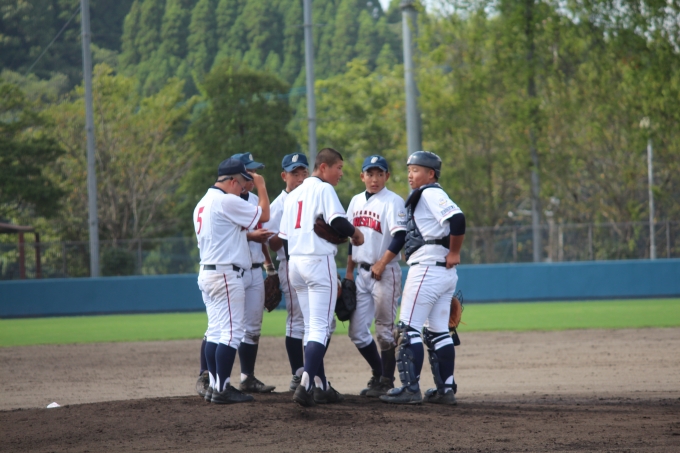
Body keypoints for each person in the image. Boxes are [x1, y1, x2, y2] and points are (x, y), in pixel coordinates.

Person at [279, 147, 365, 407]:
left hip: (295, 264)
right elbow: (337, 222)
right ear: (324, 167)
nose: (341, 173)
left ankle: (321, 385)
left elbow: (283, 239)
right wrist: (355, 234)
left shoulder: (293, 195)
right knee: (320, 327)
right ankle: (306, 385)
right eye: (339, 167)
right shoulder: (323, 189)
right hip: (317, 261)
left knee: (311, 327)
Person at [379, 151, 465, 406]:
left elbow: (458, 219)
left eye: (416, 170)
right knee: (438, 332)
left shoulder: (430, 193)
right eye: (409, 170)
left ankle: (410, 388)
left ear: (431, 174)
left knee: (408, 330)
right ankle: (445, 390)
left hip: (427, 269)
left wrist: (455, 252)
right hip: (442, 273)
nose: (410, 174)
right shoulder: (429, 194)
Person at [193, 157, 270, 404]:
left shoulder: (203, 202)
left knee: (216, 332)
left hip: (208, 272)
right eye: (243, 182)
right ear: (233, 181)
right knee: (232, 334)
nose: (244, 188)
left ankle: (215, 386)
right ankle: (223, 388)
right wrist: (261, 185)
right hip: (225, 274)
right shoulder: (226, 200)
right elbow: (264, 214)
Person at [344, 155, 407, 397]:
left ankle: (387, 381)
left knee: (384, 329)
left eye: (380, 174)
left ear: (387, 176)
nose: (375, 179)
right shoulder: (356, 201)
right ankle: (379, 372)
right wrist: (349, 272)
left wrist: (381, 263)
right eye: (370, 174)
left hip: (385, 272)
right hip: (361, 272)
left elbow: (400, 236)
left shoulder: (393, 201)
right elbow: (351, 238)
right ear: (362, 176)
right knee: (357, 331)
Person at [261, 152, 310, 391]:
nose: (300, 178)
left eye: (303, 173)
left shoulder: (312, 198)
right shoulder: (278, 205)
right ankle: (297, 373)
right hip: (290, 264)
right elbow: (272, 243)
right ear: (284, 176)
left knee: (320, 321)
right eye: (294, 173)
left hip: (314, 263)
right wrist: (286, 229)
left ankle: (312, 372)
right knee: (296, 319)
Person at [230, 153, 277, 393]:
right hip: (234, 271)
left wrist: (270, 267)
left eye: (255, 171)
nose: (254, 176)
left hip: (256, 269)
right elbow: (228, 233)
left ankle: (247, 377)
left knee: (253, 329)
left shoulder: (254, 200)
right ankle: (208, 376)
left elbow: (262, 236)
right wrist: (251, 236)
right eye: (250, 172)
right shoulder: (227, 200)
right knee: (227, 327)